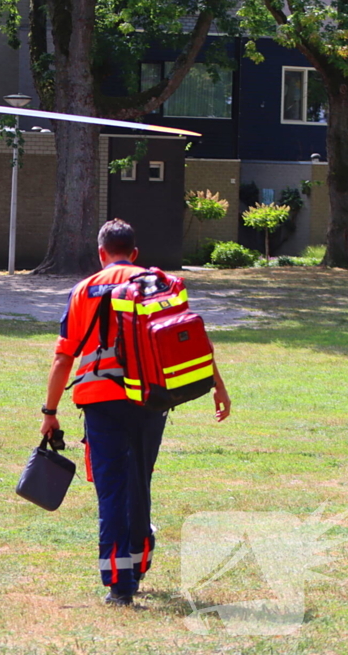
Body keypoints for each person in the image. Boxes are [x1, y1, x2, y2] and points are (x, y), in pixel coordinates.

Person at [40, 219, 231, 606]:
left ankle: (119, 585)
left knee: (112, 488)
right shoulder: (158, 284)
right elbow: (188, 339)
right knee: (139, 481)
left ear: (100, 253)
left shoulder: (84, 290)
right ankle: (139, 563)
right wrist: (218, 386)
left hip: (100, 401)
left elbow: (64, 358)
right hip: (150, 398)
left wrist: (50, 410)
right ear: (136, 253)